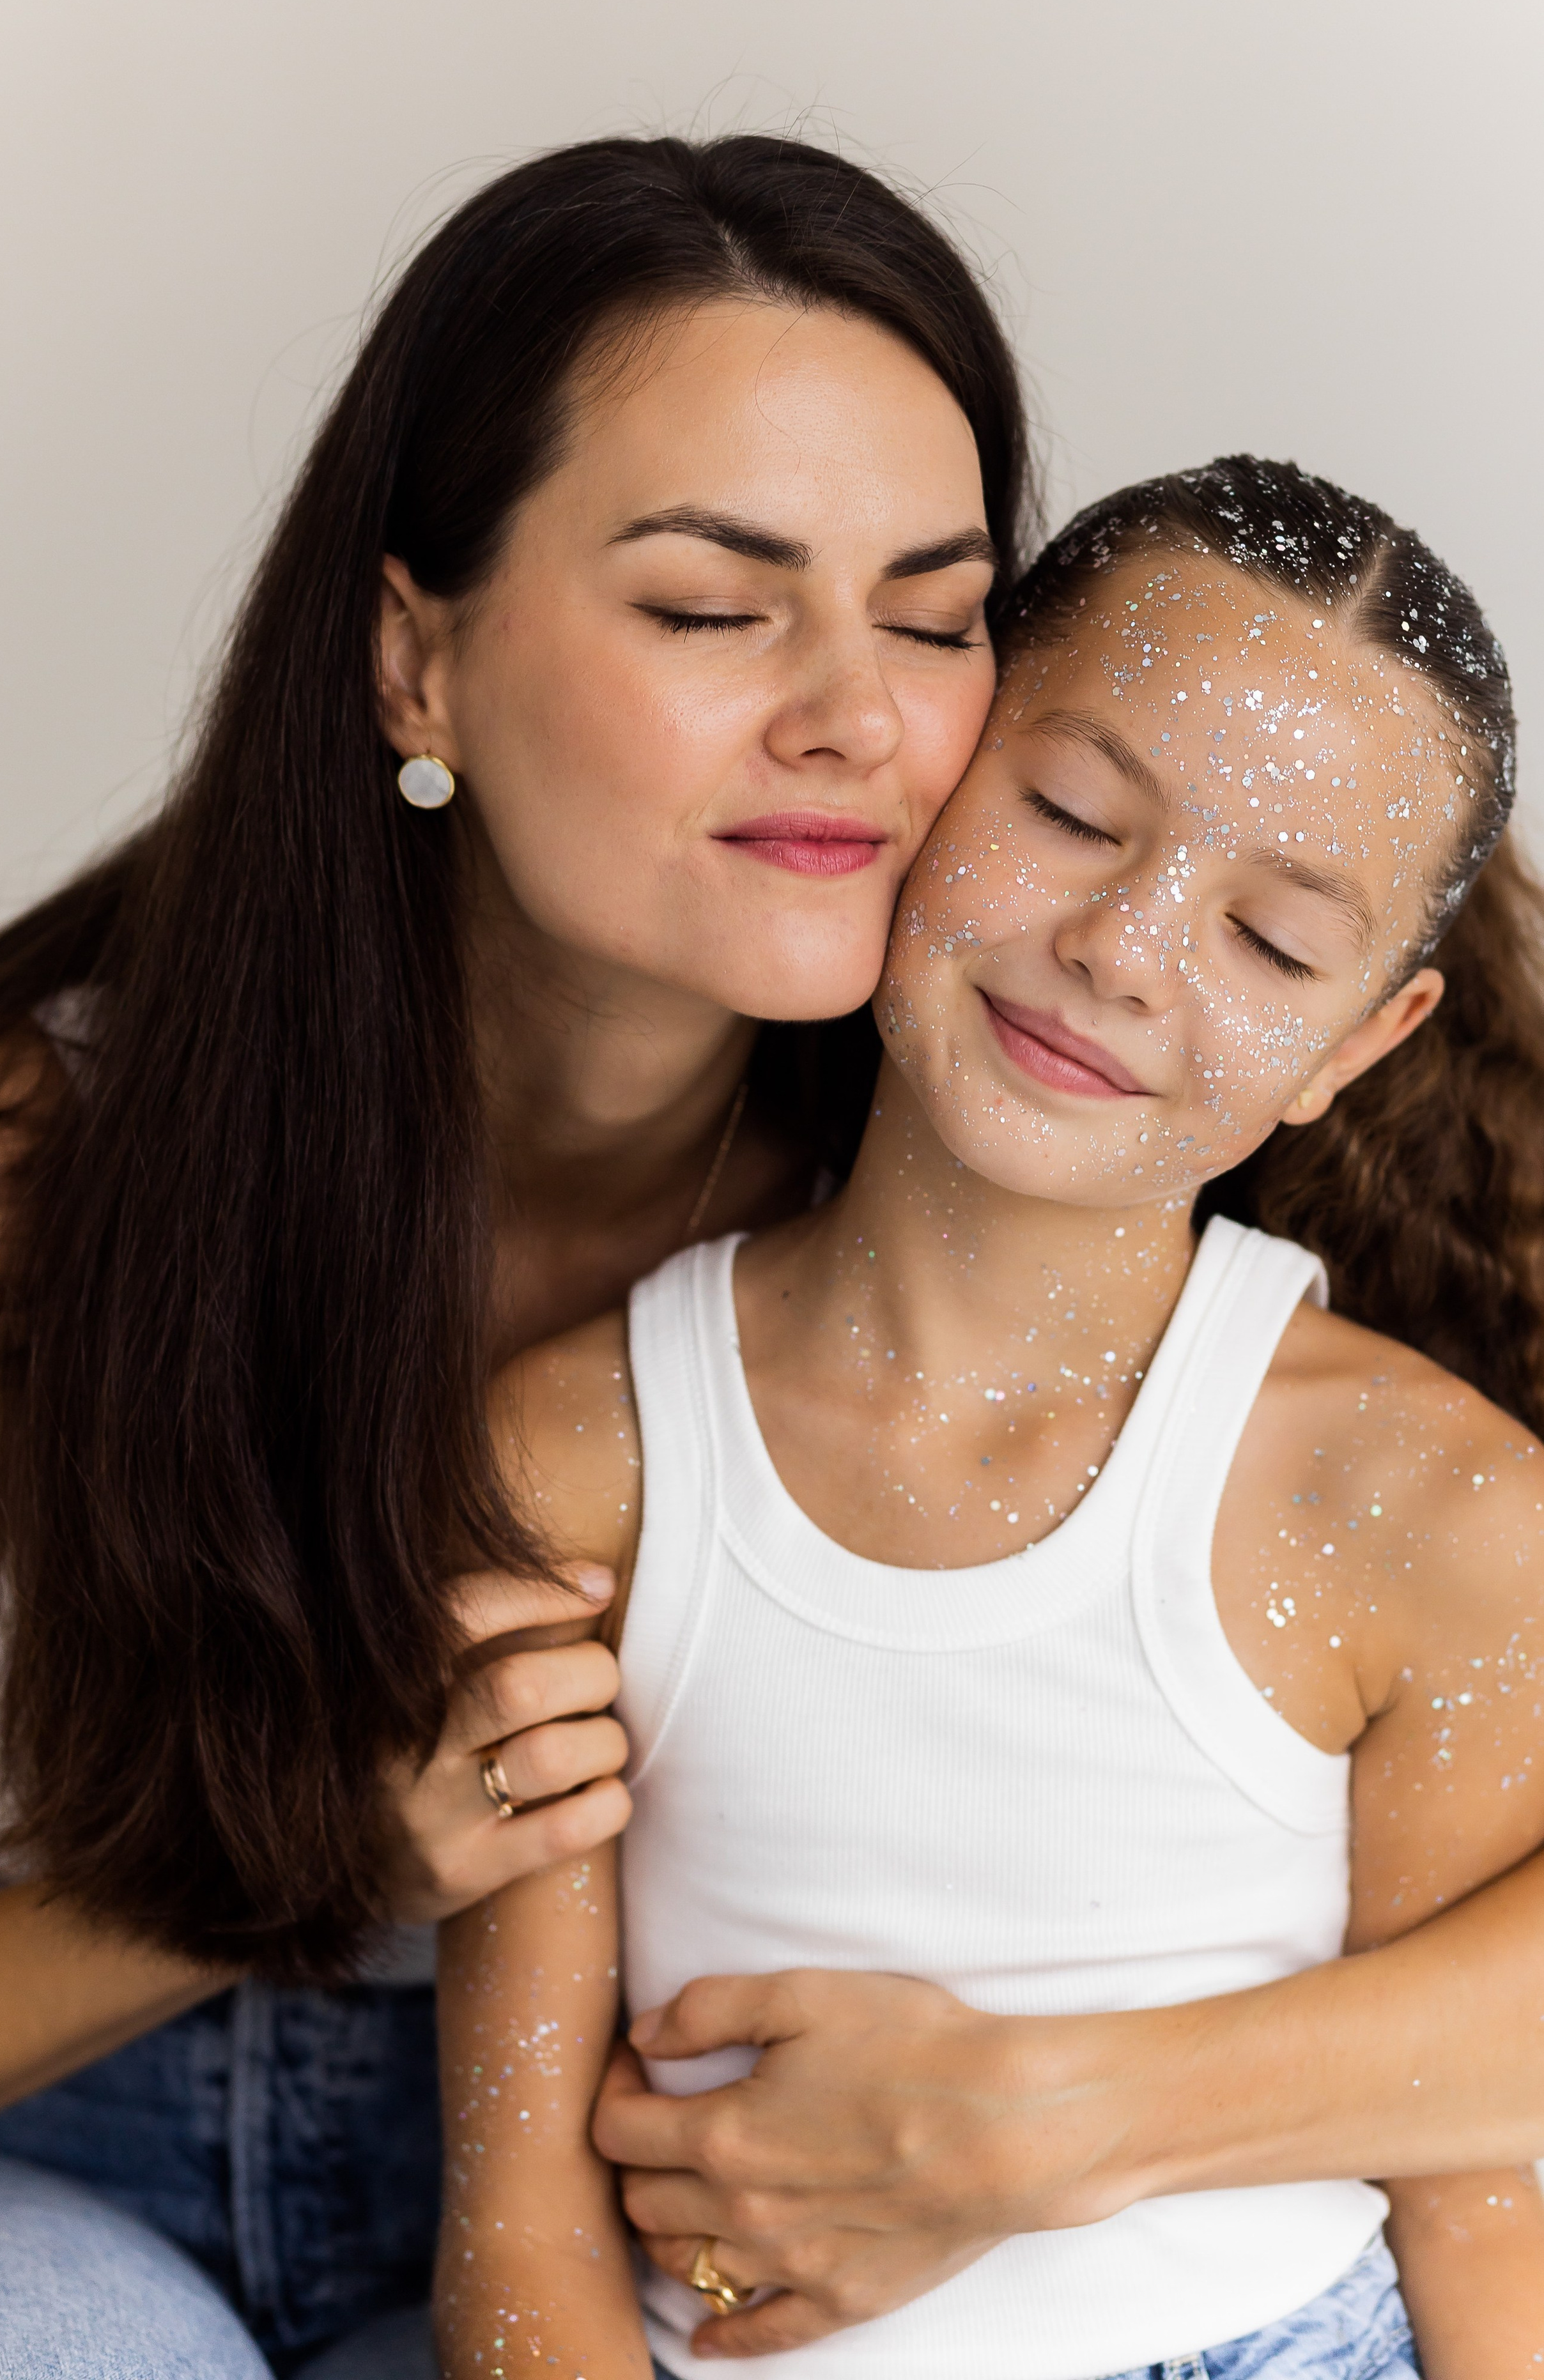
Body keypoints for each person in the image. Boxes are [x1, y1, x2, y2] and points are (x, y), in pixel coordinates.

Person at [0, 134, 1030, 2377]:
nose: (860, 714)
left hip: (630, 2188)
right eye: (716, 608)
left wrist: (1049, 2123)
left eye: (935, 613)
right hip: (55, 2123)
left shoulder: (1037, 1141)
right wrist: (311, 1860)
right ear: (416, 662)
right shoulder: (25, 1147)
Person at [442, 457, 1544, 2379]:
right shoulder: (573, 1458)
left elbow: (1481, 2191)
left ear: (1360, 1042)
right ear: (929, 770)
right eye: (1068, 813)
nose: (1125, 951)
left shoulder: (1427, 1508)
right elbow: (518, 2233)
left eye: (1272, 945)